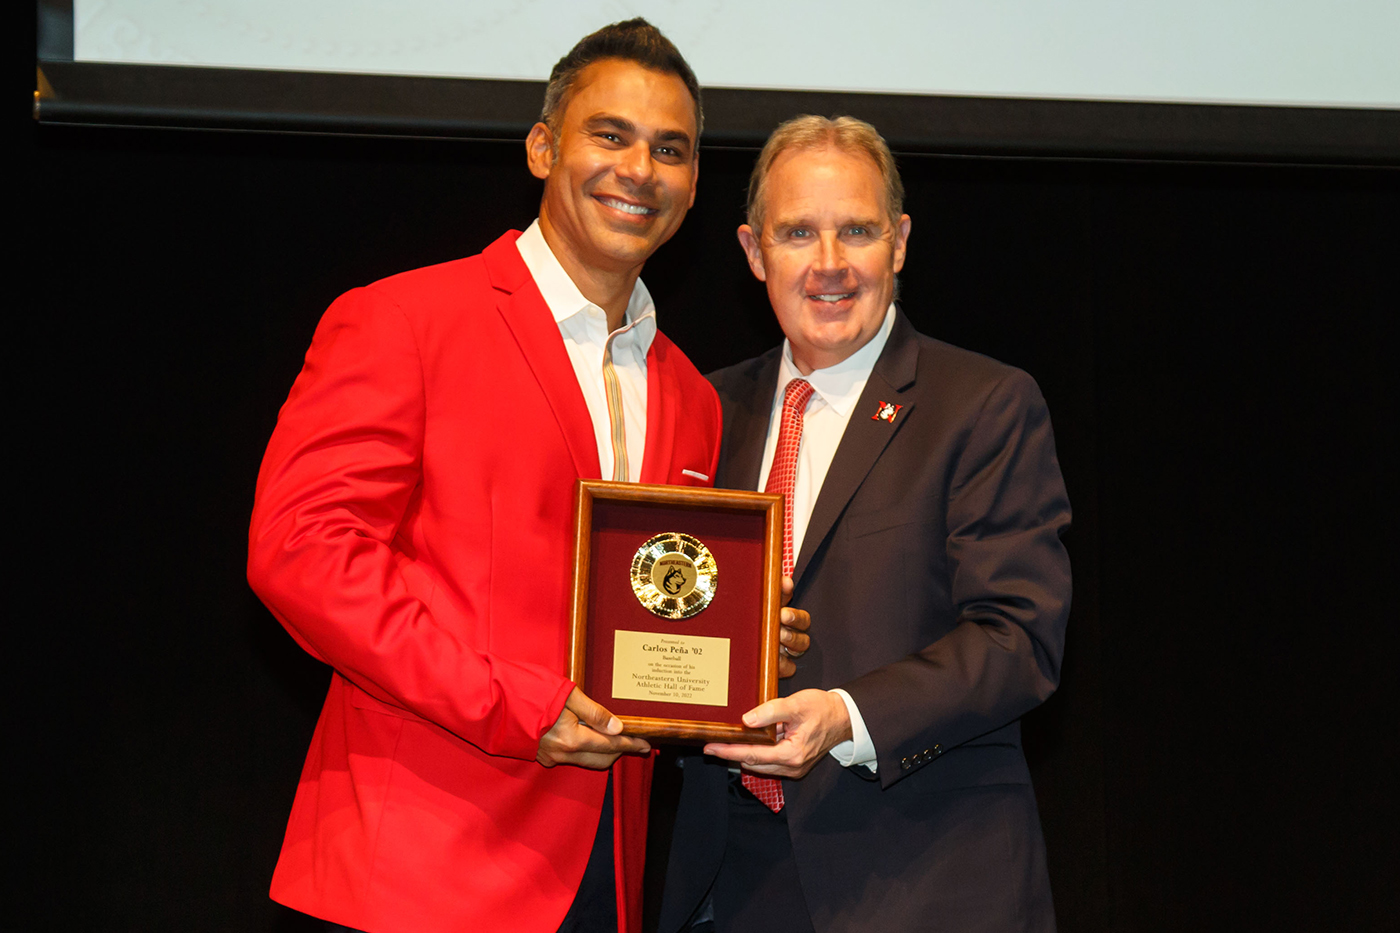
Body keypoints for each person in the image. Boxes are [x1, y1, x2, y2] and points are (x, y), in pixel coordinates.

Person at [247, 19, 728, 933]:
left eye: (671, 150)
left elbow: (651, 611)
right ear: (544, 147)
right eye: (611, 135)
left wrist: (734, 648)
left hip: (605, 877)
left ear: (695, 184)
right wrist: (510, 702)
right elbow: (301, 554)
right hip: (419, 874)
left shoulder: (692, 394)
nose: (641, 169)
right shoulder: (402, 319)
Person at [656, 116, 1072, 933]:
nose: (830, 263)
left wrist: (846, 713)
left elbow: (1020, 638)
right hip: (727, 884)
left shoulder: (983, 405)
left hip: (922, 882)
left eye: (857, 230)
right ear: (752, 252)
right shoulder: (701, 409)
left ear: (900, 241)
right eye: (798, 233)